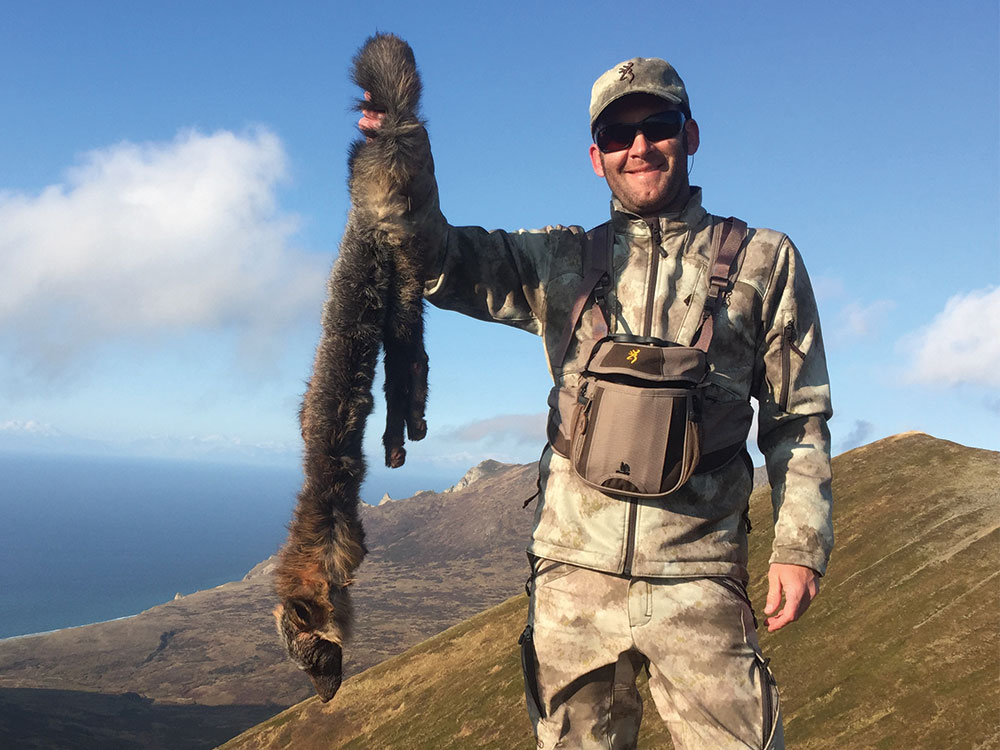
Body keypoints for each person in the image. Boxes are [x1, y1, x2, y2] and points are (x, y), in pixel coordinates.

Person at [360, 56, 832, 750]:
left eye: (658, 124)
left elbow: (798, 418)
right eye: (618, 133)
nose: (638, 146)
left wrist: (800, 546)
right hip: (573, 585)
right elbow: (434, 260)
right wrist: (400, 153)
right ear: (595, 156)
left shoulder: (766, 259)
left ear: (690, 134)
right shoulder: (560, 261)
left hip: (699, 579)